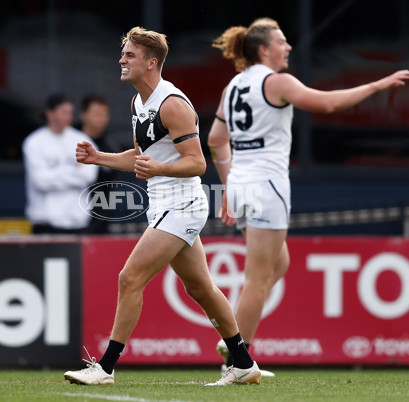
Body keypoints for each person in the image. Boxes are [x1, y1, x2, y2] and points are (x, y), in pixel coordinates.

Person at [207, 18, 409, 373]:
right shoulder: (278, 81)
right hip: (267, 185)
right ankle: (237, 360)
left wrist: (228, 186)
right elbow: (327, 103)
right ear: (263, 50)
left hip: (241, 184)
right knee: (257, 278)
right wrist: (377, 85)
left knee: (278, 264)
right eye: (282, 42)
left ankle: (235, 339)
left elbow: (215, 140)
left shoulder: (234, 85)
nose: (288, 48)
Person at [64, 26, 261, 386]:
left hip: (182, 204)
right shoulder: (139, 102)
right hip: (163, 205)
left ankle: (105, 368)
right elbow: (142, 158)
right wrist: (98, 158)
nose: (121, 60)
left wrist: (160, 168)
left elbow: (198, 163)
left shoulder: (172, 104)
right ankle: (244, 364)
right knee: (200, 289)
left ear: (151, 62)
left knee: (129, 277)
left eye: (129, 55)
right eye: (123, 53)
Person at [23, 93, 99, 235]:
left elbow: (89, 175)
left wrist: (54, 174)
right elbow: (40, 181)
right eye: (64, 112)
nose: (68, 117)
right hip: (45, 224)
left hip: (78, 222)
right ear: (49, 113)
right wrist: (74, 171)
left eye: (70, 113)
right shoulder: (34, 142)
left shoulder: (82, 140)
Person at [75, 94, 117, 234]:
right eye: (97, 114)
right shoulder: (69, 141)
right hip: (69, 218)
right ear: (83, 115)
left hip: (99, 221)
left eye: (105, 114)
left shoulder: (111, 148)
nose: (102, 119)